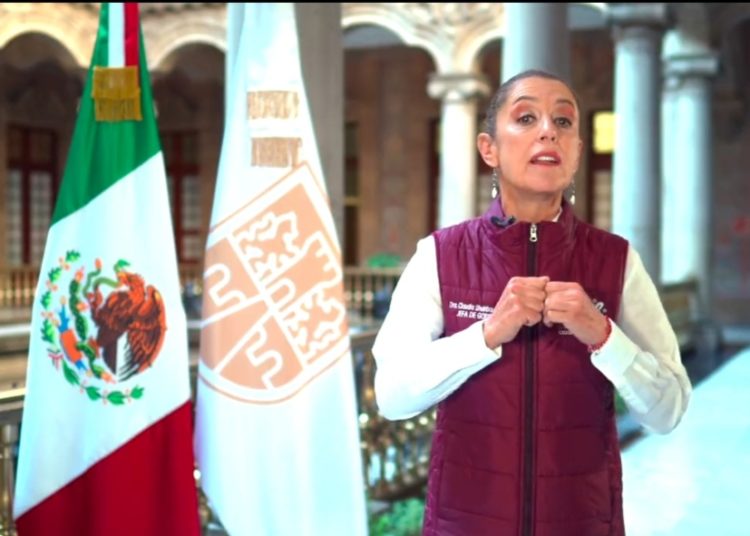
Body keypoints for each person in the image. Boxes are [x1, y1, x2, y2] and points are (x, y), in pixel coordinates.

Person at [372, 69, 692, 536]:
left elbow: (668, 411)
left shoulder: (616, 261)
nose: (548, 131)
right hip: (464, 523)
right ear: (489, 149)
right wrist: (486, 335)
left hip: (583, 524)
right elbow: (391, 396)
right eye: (526, 118)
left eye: (563, 122)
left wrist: (604, 336)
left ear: (577, 151)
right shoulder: (440, 256)